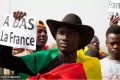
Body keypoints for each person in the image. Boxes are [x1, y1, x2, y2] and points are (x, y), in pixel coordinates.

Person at [0, 13, 102, 79]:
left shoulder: (90, 66)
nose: (65, 37)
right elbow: (5, 60)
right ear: (56, 36)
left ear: (79, 39)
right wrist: (11, 29)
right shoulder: (41, 59)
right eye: (61, 33)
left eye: (70, 34)